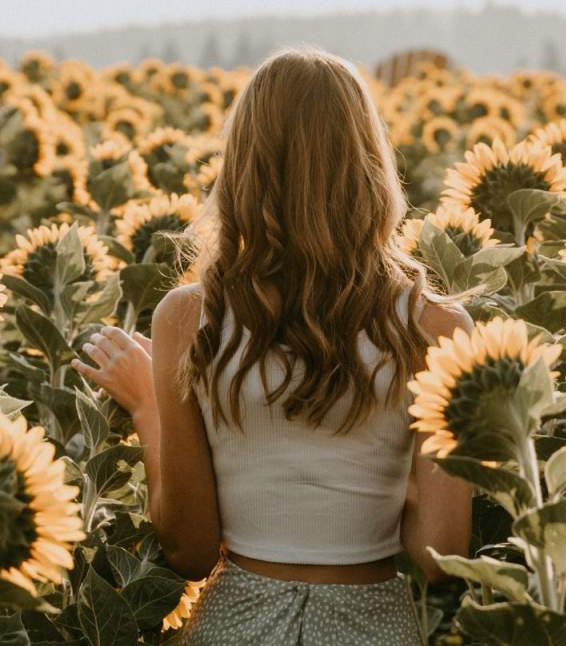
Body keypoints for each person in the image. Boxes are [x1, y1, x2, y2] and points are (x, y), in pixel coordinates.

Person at [75, 47, 473, 645]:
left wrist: (147, 409)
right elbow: (440, 554)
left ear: (241, 163)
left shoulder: (189, 318)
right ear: (370, 162)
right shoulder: (437, 328)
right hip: (373, 624)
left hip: (239, 619)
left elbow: (189, 549)